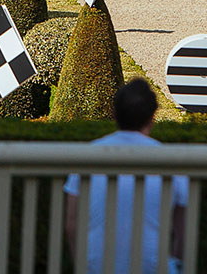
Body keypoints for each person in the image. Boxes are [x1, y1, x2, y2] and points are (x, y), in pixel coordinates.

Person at [65, 79, 188, 274]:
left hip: (96, 267)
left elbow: (72, 224)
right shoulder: (169, 160)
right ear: (152, 117)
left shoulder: (89, 155)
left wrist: (82, 265)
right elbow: (182, 233)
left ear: (114, 115)